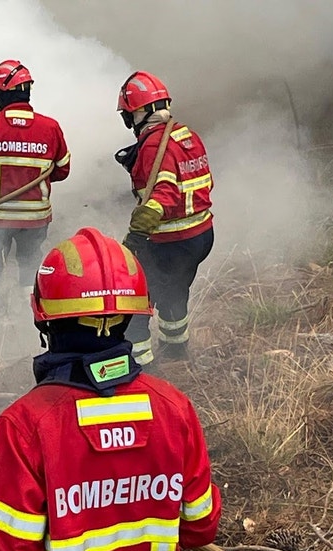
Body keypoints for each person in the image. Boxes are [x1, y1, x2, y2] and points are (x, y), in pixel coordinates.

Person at [0, 227, 221, 551]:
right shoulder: (174, 409)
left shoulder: (27, 424)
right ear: (135, 316)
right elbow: (200, 526)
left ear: (43, 316)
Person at [114, 70, 215, 367]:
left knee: (135, 299)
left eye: (128, 114)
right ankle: (176, 350)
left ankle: (140, 363)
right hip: (200, 235)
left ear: (141, 112)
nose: (128, 121)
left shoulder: (153, 147)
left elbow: (163, 195)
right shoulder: (186, 135)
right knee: (175, 289)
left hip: (170, 240)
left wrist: (135, 236)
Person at [0, 59, 71, 308]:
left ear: (0, 95)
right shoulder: (50, 127)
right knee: (30, 268)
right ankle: (31, 319)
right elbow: (62, 170)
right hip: (36, 220)